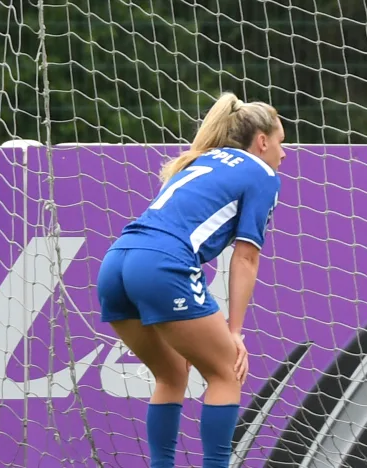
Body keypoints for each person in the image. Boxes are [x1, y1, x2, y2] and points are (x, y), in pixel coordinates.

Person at [96, 92, 285, 468]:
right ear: (261, 141)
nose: (283, 154)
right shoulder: (262, 173)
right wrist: (235, 331)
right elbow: (246, 257)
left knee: (170, 374)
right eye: (281, 143)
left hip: (116, 262)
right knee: (227, 370)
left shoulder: (199, 159)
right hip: (161, 265)